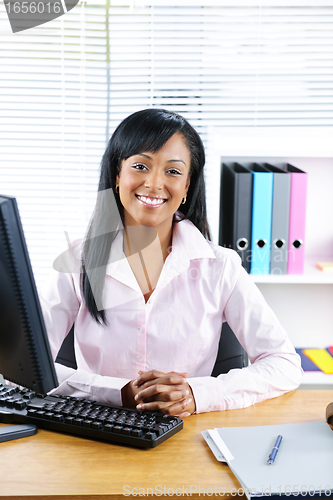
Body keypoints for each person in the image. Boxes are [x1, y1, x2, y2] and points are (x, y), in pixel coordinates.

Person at [40, 108, 302, 417]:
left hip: (186, 439)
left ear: (188, 186)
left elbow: (283, 363)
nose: (154, 183)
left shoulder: (220, 267)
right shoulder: (78, 261)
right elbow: (28, 368)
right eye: (140, 166)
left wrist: (197, 394)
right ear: (117, 174)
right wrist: (114, 392)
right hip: (96, 433)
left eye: (173, 171)